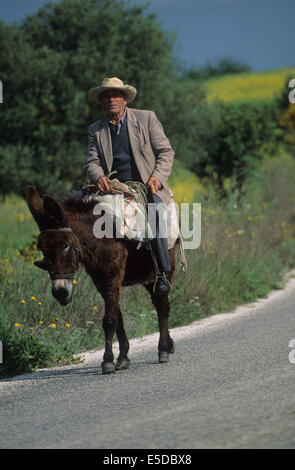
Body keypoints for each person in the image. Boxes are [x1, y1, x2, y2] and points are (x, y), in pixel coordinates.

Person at [86, 77, 175, 293]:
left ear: (125, 98)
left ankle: (161, 273)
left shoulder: (146, 118)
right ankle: (68, 267)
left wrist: (157, 178)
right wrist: (98, 176)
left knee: (155, 211)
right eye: (106, 96)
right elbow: (92, 161)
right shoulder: (96, 130)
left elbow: (166, 152)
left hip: (146, 187)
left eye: (115, 95)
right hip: (114, 187)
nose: (111, 99)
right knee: (75, 206)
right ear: (101, 102)